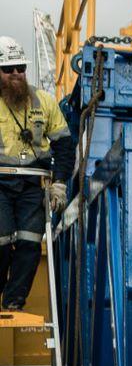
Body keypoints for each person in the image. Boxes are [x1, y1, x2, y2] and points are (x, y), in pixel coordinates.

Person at [0, 36, 75, 311]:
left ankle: (13, 303)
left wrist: (60, 183)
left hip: (34, 184)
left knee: (30, 244)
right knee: (1, 243)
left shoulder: (44, 101)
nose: (16, 74)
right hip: (0, 184)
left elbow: (64, 145)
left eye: (20, 67)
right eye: (8, 69)